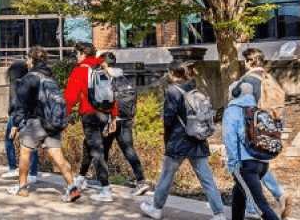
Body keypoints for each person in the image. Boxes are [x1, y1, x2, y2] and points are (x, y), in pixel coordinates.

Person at [140, 61, 225, 220]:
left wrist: (166, 138)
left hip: (178, 141)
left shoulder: (172, 91)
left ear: (172, 73)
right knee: (207, 179)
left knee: (166, 176)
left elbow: (169, 118)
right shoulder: (194, 89)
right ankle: (219, 214)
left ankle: (156, 208)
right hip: (197, 140)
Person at [9, 46, 81, 202]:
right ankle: (72, 187)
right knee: (58, 156)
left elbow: (20, 103)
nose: (26, 62)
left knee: (25, 152)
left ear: (32, 59)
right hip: (52, 122)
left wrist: (15, 123)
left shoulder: (30, 78)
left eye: (28, 58)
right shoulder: (51, 78)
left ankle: (22, 187)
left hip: (34, 122)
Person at [231, 48, 292, 219]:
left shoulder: (246, 82)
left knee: (248, 181)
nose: (244, 64)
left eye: (245, 61)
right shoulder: (271, 80)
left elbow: (237, 112)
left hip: (249, 139)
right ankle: (271, 199)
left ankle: (257, 208)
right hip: (268, 137)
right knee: (240, 188)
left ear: (250, 61)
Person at [65, 42, 117, 203]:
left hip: (90, 114)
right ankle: (81, 178)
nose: (76, 57)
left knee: (96, 150)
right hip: (105, 113)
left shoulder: (80, 70)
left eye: (77, 53)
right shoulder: (104, 68)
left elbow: (70, 97)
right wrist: (113, 117)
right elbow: (114, 93)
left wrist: (63, 115)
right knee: (89, 145)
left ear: (82, 54)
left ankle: (105, 188)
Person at [223, 81, 281, 220]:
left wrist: (232, 165)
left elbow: (229, 139)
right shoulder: (258, 112)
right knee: (238, 194)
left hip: (244, 165)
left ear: (235, 93)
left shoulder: (231, 111)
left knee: (259, 204)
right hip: (262, 163)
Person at [99, 52, 148, 195]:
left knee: (103, 150)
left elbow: (103, 102)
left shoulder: (104, 78)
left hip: (111, 120)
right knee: (129, 150)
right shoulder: (124, 77)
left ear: (104, 64)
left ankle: (103, 183)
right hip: (126, 120)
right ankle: (141, 181)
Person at [1, 59, 39, 183]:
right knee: (31, 145)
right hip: (30, 116)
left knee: (9, 140)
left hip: (17, 116)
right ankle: (33, 173)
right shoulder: (30, 81)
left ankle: (13, 167)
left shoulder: (15, 82)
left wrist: (11, 116)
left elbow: (13, 102)